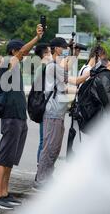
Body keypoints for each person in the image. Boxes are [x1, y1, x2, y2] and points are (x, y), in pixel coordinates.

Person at [0, 25, 44, 210]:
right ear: (14, 51)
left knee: (11, 158)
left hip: (19, 117)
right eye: (21, 52)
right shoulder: (6, 63)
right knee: (4, 157)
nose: (26, 55)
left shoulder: (14, 67)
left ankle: (4, 192)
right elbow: (22, 52)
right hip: (10, 116)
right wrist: (36, 38)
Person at [33, 37, 90, 191]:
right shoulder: (52, 66)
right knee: (49, 147)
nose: (65, 50)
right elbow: (75, 80)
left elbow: (65, 75)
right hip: (52, 112)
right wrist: (90, 74)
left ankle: (47, 177)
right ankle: (40, 180)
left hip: (58, 112)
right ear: (56, 48)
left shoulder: (55, 66)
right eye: (63, 48)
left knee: (54, 148)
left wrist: (74, 54)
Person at [33, 43, 52, 165]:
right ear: (44, 54)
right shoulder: (43, 67)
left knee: (44, 139)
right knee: (43, 140)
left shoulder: (43, 66)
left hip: (43, 105)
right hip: (43, 106)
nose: (51, 54)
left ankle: (41, 167)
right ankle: (40, 168)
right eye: (49, 52)